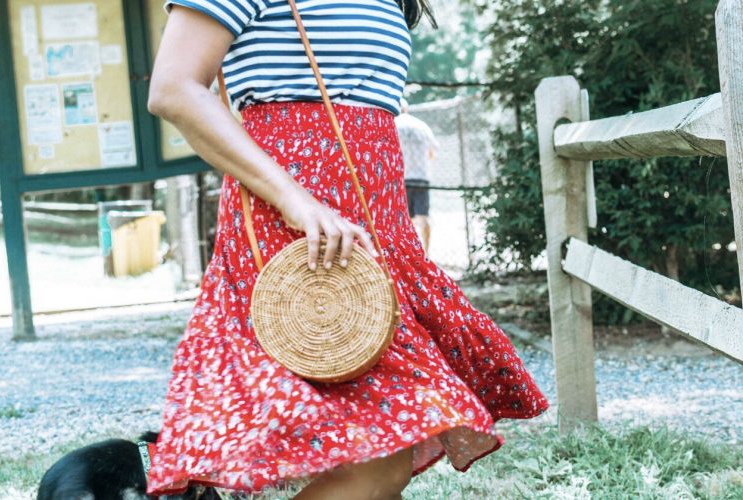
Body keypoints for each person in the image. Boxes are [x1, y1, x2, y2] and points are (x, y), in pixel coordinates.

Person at [146, 1, 549, 498]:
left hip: (375, 222)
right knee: (383, 456)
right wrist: (295, 200)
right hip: (300, 227)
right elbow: (173, 88)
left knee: (379, 451)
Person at [395, 100, 437, 255]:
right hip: (421, 176)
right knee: (423, 216)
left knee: (404, 218)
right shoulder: (422, 126)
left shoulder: (393, 124)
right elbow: (433, 153)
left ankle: (408, 253)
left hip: (401, 177)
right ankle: (426, 253)